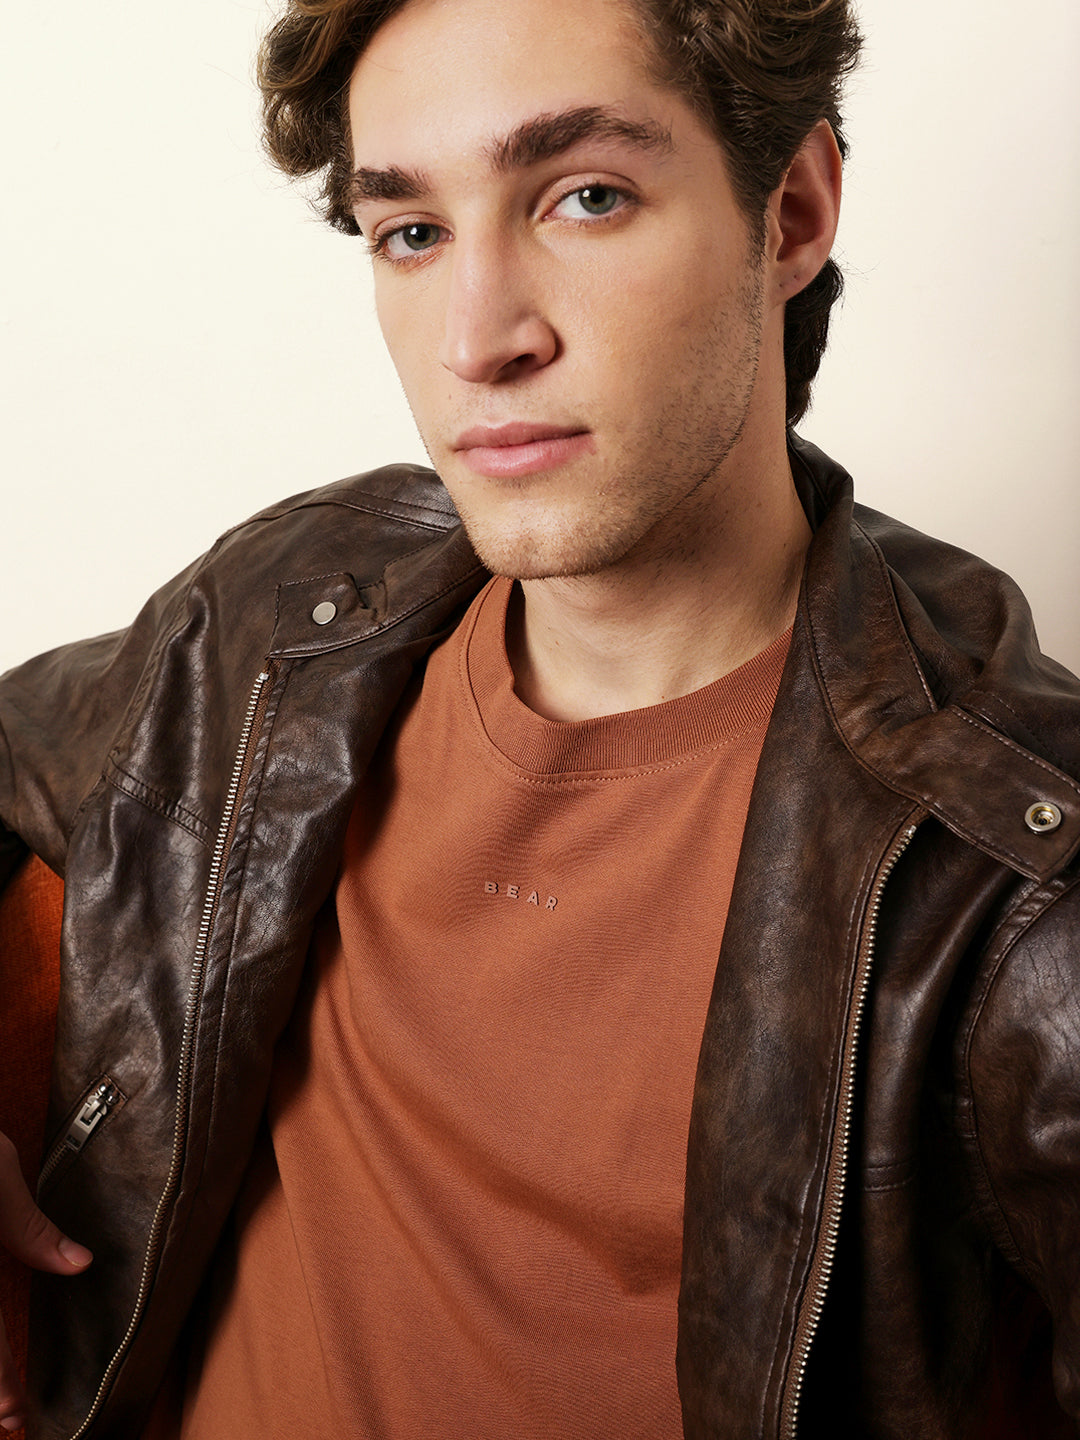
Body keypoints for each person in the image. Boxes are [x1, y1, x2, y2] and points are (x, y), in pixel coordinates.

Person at [1, 0, 1078, 1435]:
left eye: (586, 198)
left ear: (792, 213)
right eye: (411, 231)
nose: (476, 340)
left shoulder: (1018, 876)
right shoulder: (276, 627)